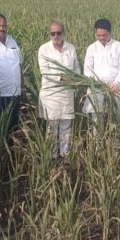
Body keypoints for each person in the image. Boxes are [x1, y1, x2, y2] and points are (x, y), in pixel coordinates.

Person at [38, 21, 81, 158]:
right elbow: (46, 72)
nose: (56, 35)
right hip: (51, 94)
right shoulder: (44, 49)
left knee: (66, 126)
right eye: (53, 33)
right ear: (49, 34)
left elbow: (76, 67)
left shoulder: (71, 48)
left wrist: (78, 79)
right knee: (52, 127)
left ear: (64, 33)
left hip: (67, 93)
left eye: (59, 33)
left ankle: (65, 155)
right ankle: (51, 156)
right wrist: (67, 79)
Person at [0, 13, 25, 137]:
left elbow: (19, 66)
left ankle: (10, 154)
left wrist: (22, 88)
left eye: (4, 25)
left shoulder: (12, 41)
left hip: (14, 93)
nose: (1, 28)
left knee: (12, 127)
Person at [82, 18, 120, 124]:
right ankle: (97, 140)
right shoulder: (91, 48)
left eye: (104, 35)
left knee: (117, 120)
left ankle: (115, 140)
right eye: (99, 35)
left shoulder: (119, 46)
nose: (101, 38)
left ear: (110, 32)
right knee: (97, 120)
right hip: (97, 88)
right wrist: (95, 82)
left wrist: (117, 82)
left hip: (115, 89)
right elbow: (87, 69)